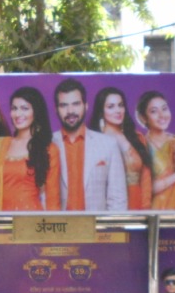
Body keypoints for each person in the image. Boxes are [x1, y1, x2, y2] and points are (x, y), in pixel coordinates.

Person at [51, 78, 127, 211]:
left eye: (76, 104)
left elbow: (117, 199)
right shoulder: (47, 143)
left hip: (95, 229)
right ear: (56, 109)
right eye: (63, 105)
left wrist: (109, 230)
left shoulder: (108, 144)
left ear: (86, 105)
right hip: (57, 228)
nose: (70, 111)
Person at [0, 86, 62, 211]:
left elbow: (53, 199)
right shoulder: (1, 144)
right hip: (0, 220)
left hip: (30, 221)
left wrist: (52, 227)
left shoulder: (48, 149)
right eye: (14, 108)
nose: (18, 114)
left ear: (36, 112)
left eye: (25, 108)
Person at [90, 86, 152, 209]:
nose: (118, 110)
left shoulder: (137, 139)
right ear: (101, 111)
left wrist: (146, 210)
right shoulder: (95, 141)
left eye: (120, 105)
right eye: (111, 107)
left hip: (138, 204)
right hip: (107, 209)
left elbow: (146, 180)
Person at [136, 90, 175, 210]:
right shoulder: (141, 146)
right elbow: (148, 188)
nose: (162, 115)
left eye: (164, 109)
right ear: (143, 118)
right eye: (154, 111)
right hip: (152, 215)